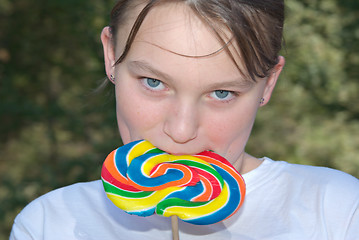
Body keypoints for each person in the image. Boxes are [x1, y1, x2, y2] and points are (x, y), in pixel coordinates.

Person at [10, 0, 359, 239]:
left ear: (269, 83)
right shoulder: (50, 224)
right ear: (112, 56)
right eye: (154, 82)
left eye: (222, 93)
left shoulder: (338, 211)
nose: (180, 131)